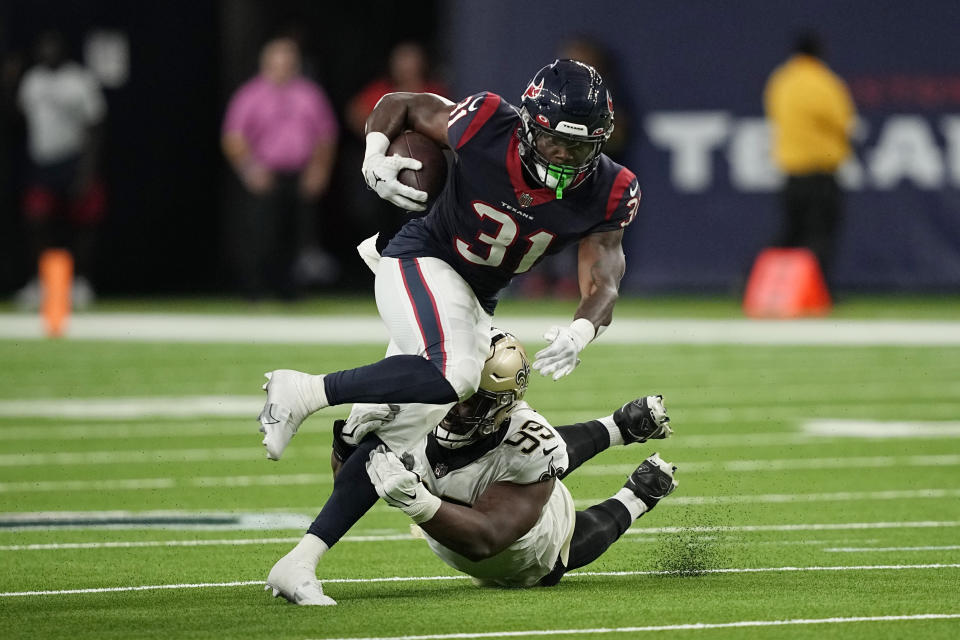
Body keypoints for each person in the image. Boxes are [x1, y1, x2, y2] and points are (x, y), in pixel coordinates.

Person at [256, 59, 642, 579]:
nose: (566, 156)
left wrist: (582, 328)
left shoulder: (610, 189)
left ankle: (300, 562)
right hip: (422, 259)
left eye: (580, 147)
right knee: (457, 373)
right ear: (530, 124)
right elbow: (404, 105)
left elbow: (605, 279)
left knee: (392, 443)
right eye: (555, 141)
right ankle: (303, 390)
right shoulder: (487, 122)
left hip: (473, 299)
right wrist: (374, 154)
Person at [265, 331, 677, 604]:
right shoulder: (425, 398)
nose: (457, 405)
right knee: (536, 453)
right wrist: (346, 442)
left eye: (474, 399)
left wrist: (419, 503)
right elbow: (348, 488)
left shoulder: (529, 439)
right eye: (459, 390)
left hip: (517, 542)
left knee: (559, 548)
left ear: (502, 401)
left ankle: (638, 496)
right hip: (455, 517)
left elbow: (488, 538)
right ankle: (622, 426)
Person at [222, 36, 338, 299]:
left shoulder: (309, 94)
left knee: (297, 235)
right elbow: (233, 137)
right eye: (278, 58)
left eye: (289, 59)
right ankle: (256, 290)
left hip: (300, 173)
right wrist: (249, 169)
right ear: (266, 62)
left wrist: (319, 169)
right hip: (264, 174)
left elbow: (325, 136)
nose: (284, 64)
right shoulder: (250, 95)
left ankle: (290, 291)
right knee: (262, 234)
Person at [14, 30, 107, 310]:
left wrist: (86, 173)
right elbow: (17, 117)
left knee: (81, 225)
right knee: (37, 221)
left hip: (74, 160)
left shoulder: (78, 81)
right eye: (43, 46)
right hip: (42, 162)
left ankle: (79, 283)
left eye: (53, 46)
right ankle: (42, 283)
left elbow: (96, 127)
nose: (47, 52)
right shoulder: (32, 81)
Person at [763, 31, 856, 287]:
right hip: (820, 172)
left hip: (791, 172)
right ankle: (817, 290)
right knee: (820, 236)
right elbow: (844, 123)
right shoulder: (824, 82)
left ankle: (758, 283)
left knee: (790, 234)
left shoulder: (780, 80)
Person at [344, 41, 450, 253]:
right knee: (377, 217)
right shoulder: (383, 91)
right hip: (385, 164)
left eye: (411, 60)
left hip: (423, 168)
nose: (406, 66)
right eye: (402, 61)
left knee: (421, 216)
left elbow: (451, 124)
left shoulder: (432, 92)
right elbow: (354, 113)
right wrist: (383, 137)